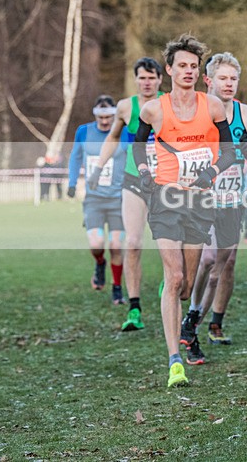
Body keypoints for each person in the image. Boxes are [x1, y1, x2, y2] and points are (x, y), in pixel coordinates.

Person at [132, 34, 237, 388]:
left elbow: (229, 153)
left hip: (200, 202)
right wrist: (146, 174)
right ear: (170, 69)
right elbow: (136, 146)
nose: (188, 71)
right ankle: (174, 360)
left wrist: (210, 172)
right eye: (183, 66)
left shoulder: (213, 107)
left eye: (194, 66)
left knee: (186, 285)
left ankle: (172, 293)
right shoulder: (154, 109)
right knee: (175, 276)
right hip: (165, 200)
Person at [179, 53, 247, 364]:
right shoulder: (196, 111)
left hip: (232, 200)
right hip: (202, 196)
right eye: (223, 78)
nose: (229, 84)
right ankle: (191, 319)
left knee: (221, 265)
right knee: (206, 260)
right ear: (209, 81)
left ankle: (197, 323)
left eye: (234, 79)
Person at [91, 57, 163, 330]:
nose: (146, 82)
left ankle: (170, 282)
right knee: (132, 243)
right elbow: (112, 137)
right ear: (135, 79)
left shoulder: (168, 104)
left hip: (166, 182)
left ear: (159, 79)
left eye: (151, 77)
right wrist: (99, 168)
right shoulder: (125, 107)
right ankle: (134, 308)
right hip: (134, 180)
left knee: (172, 243)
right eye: (142, 78)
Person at [68, 95, 126, 303]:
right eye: (100, 118)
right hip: (93, 199)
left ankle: (117, 288)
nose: (104, 122)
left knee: (116, 245)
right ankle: (100, 263)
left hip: (118, 199)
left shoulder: (125, 132)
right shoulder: (84, 132)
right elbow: (75, 157)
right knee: (97, 243)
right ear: (95, 115)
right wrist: (72, 183)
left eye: (108, 117)